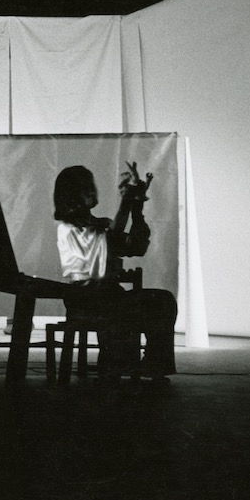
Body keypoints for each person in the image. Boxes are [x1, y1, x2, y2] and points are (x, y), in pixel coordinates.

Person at [53, 162, 177, 384]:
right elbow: (110, 237)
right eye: (84, 188)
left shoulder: (101, 223)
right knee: (119, 307)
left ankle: (151, 365)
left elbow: (136, 247)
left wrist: (136, 207)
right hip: (86, 298)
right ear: (71, 196)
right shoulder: (70, 228)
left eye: (92, 186)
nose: (92, 190)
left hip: (109, 295)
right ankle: (114, 365)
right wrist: (127, 202)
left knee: (163, 300)